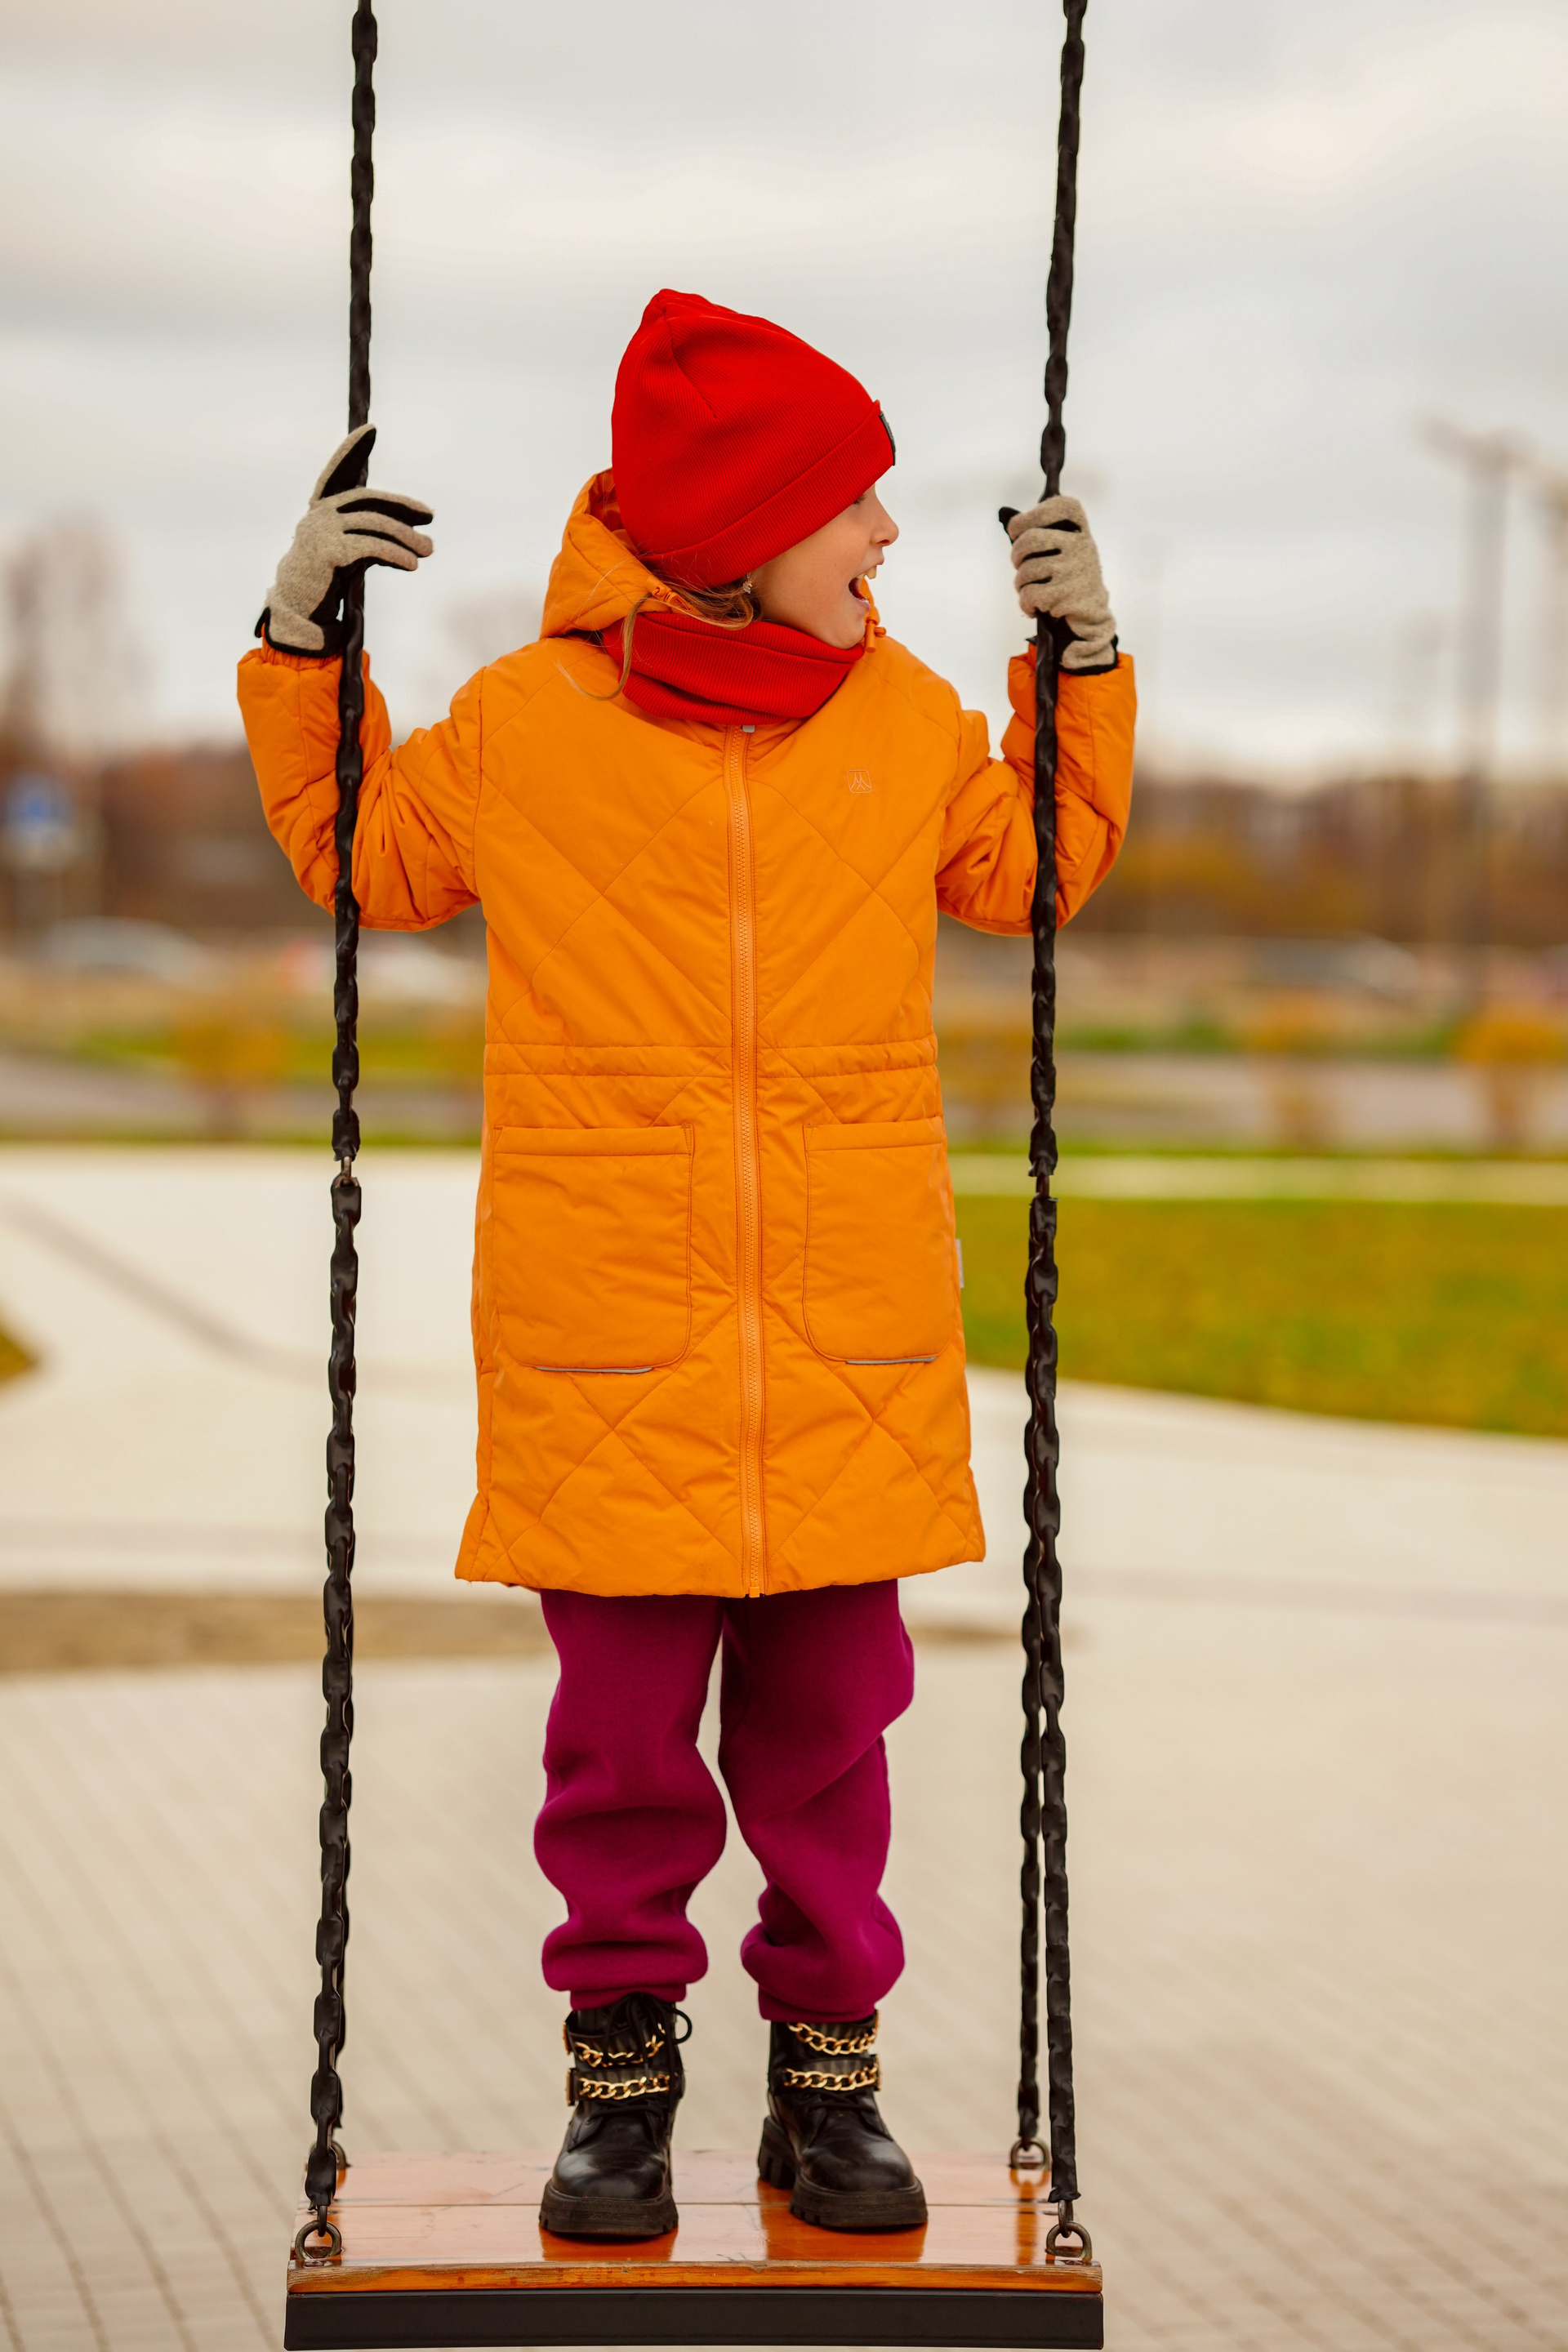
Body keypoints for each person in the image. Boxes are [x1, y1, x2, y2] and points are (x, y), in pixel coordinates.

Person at [239, 288, 1135, 2241]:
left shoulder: (906, 722)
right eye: (853, 502)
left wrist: (1080, 661)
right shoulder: (524, 728)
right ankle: (620, 2092)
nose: (887, 534)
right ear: (741, 530)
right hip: (611, 1337)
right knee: (621, 1761)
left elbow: (1034, 872)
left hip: (843, 1338)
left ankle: (829, 2086)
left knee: (832, 1750)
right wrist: (303, 638)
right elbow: (366, 861)